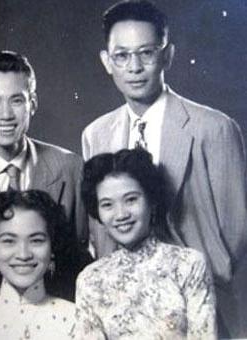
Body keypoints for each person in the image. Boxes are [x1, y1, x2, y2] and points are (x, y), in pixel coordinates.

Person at [81, 0, 246, 335]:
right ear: (106, 62)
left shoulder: (213, 128)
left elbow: (236, 232)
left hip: (203, 304)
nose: (135, 67)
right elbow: (101, 230)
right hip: (123, 311)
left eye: (146, 52)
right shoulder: (96, 134)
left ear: (167, 55)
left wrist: (190, 281)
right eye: (122, 56)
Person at [0, 50, 89, 297]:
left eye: (17, 100)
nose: (6, 114)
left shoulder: (70, 168)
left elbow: (81, 256)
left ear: (32, 103)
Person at [76, 148, 216, 339]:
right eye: (107, 204)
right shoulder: (90, 279)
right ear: (97, 211)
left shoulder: (188, 264)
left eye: (131, 199)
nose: (121, 214)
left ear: (152, 200)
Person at [0, 190, 75, 339]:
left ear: (52, 247)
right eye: (9, 241)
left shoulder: (75, 318)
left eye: (36, 241)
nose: (23, 254)